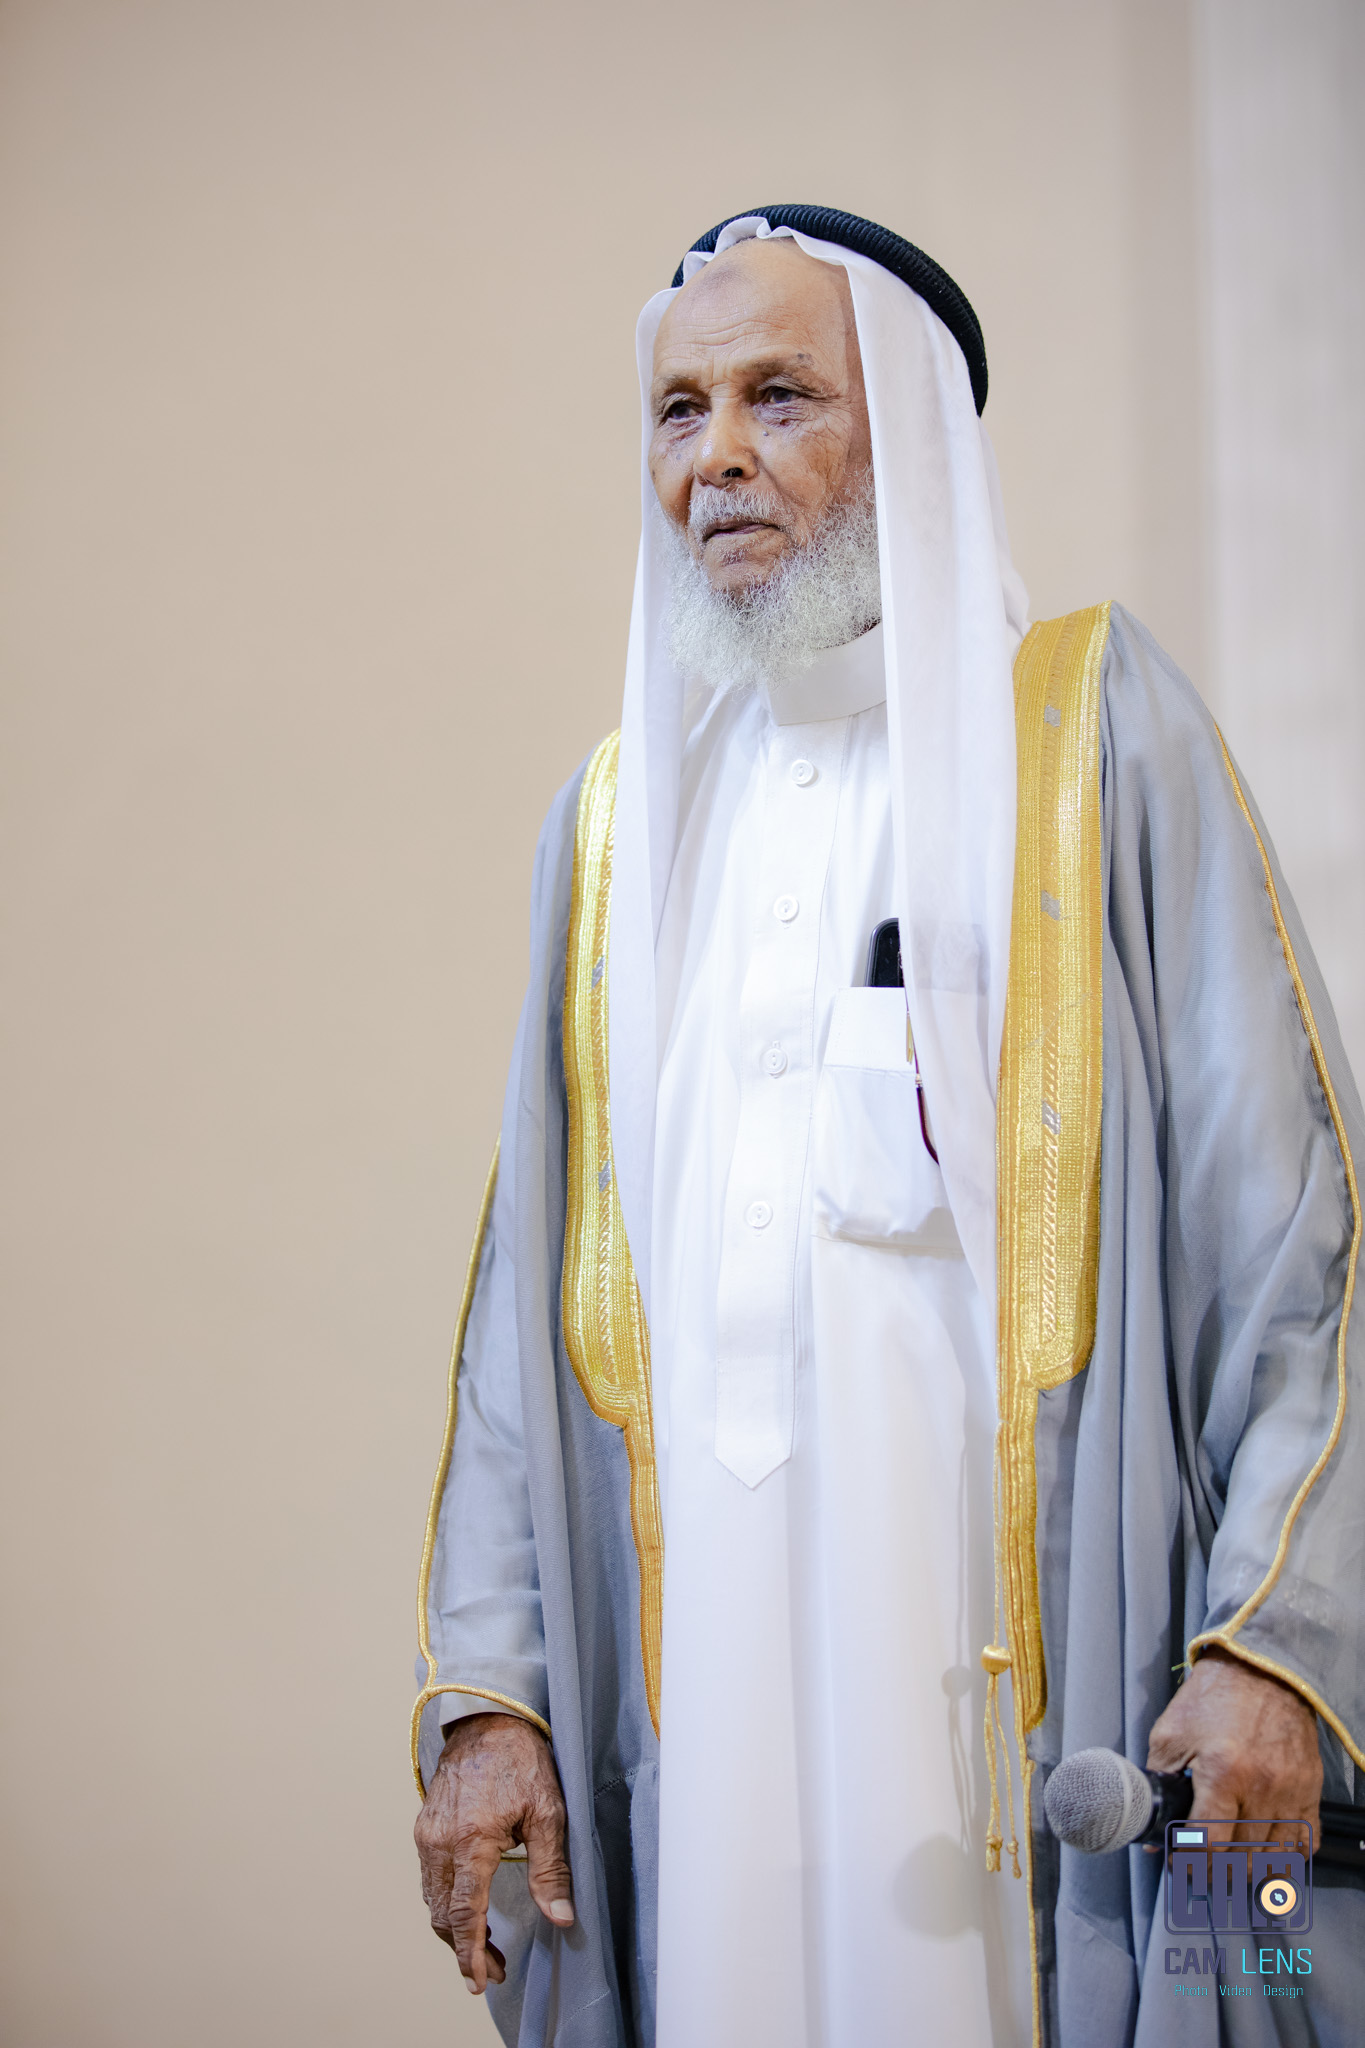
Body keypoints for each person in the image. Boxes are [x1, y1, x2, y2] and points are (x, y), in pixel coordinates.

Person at [410, 208, 1365, 2047]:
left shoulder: (1091, 735)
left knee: (1181, 1984)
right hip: (706, 1728)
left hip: (1049, 1722)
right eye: (678, 409)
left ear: (910, 438)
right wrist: (491, 1697)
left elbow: (1297, 1252)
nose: (717, 457)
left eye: (779, 396)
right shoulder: (610, 834)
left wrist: (1277, 1643)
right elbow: (522, 1347)